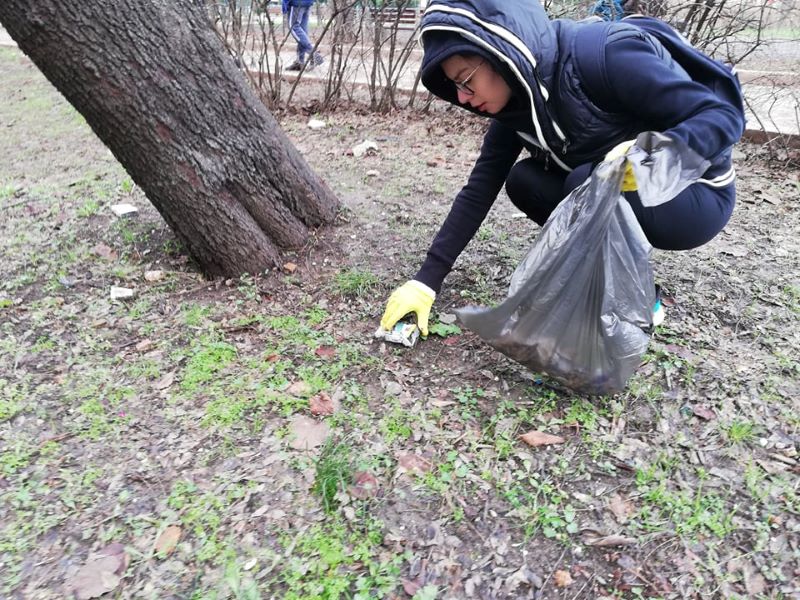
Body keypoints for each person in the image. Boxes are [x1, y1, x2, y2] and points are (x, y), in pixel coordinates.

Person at [379, 0, 744, 338]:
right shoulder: (517, 107)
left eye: (465, 80)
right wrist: (426, 281)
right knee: (524, 181)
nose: (461, 97)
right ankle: (621, 287)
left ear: (496, 52)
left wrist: (651, 156)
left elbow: (723, 117)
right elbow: (480, 187)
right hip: (608, 187)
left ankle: (639, 303)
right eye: (455, 86)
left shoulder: (605, 54)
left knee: (585, 179)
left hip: (695, 193)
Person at [282, 0, 324, 71]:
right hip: (307, 3)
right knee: (302, 30)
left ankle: (313, 55)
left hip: (296, 3)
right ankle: (300, 62)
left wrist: (285, 4)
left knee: (294, 27)